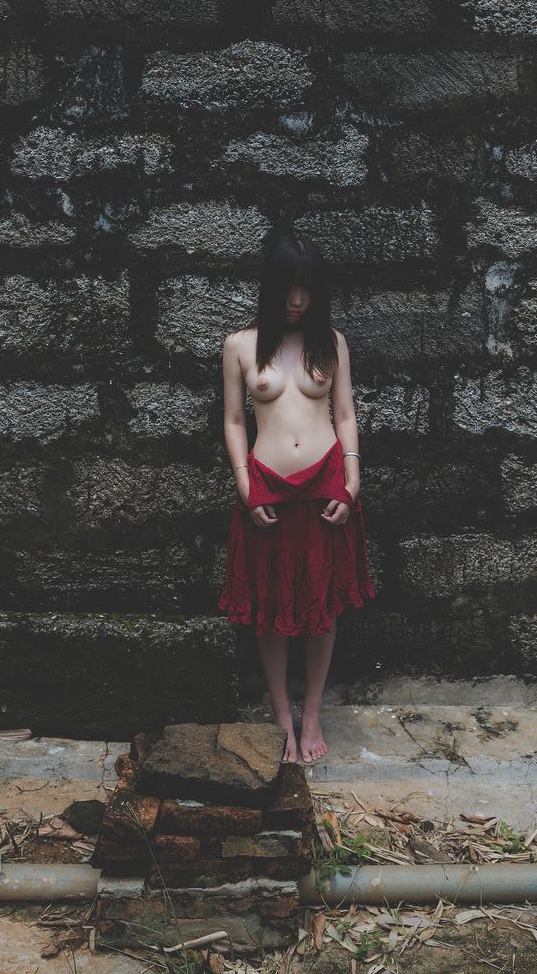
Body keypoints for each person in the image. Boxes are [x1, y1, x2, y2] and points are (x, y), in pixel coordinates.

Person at [218, 231, 375, 764]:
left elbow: (345, 413)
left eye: (307, 288)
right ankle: (281, 713)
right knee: (271, 605)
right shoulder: (240, 345)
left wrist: (352, 480)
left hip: (326, 481)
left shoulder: (331, 341)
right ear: (272, 285)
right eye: (289, 287)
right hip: (266, 483)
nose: (298, 299)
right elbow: (234, 419)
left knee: (322, 604)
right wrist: (245, 483)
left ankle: (312, 713)